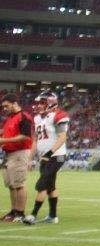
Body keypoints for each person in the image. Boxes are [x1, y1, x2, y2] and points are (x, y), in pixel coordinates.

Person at [23, 92, 68, 225]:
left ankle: (33, 215)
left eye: (42, 103)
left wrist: (49, 153)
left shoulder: (59, 115)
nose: (38, 106)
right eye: (38, 103)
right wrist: (30, 159)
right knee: (50, 186)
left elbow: (62, 137)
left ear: (51, 103)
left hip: (57, 156)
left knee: (42, 184)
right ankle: (53, 216)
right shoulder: (37, 118)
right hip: (45, 157)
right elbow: (35, 140)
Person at [1, 93, 34, 221]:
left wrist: (3, 140)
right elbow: (6, 132)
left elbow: (25, 136)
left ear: (14, 103)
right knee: (11, 184)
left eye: (6, 106)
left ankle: (20, 213)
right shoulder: (10, 118)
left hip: (20, 153)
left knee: (19, 184)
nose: (4, 109)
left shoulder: (23, 117)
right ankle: (13, 211)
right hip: (9, 154)